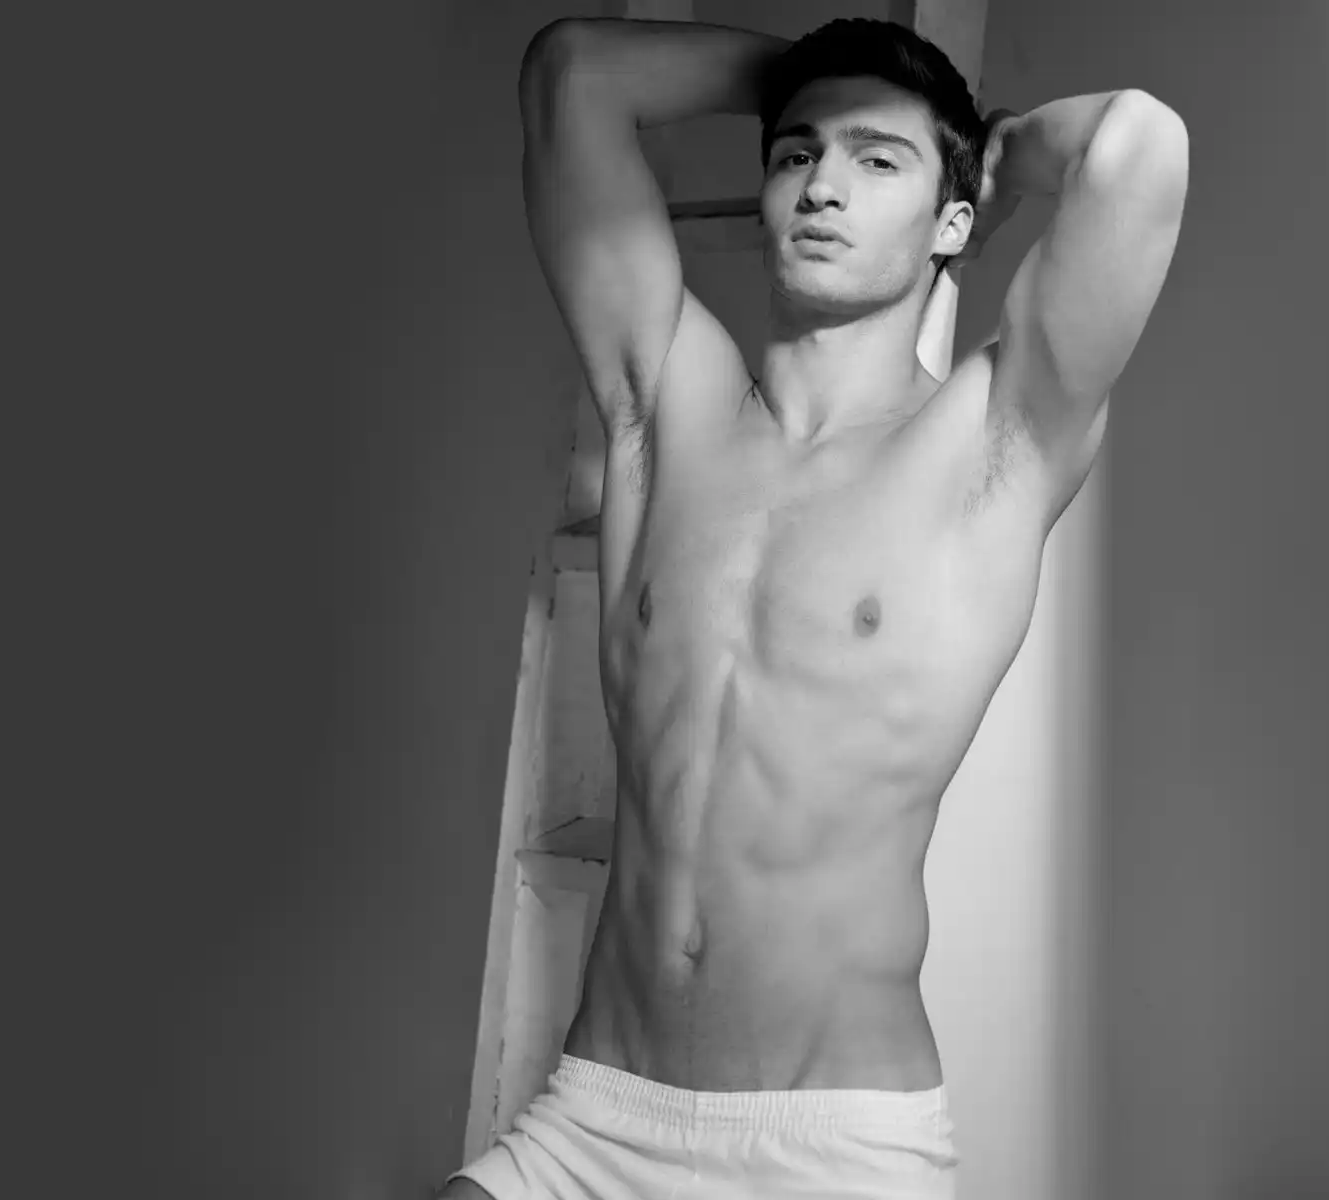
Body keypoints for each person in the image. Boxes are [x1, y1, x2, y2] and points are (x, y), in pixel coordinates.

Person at [438, 14, 1188, 1200]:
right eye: (796, 153)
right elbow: (572, 74)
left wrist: (994, 149)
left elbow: (1138, 146)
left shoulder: (988, 442)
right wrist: (809, 80)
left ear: (952, 221)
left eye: (877, 161)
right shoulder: (667, 402)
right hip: (594, 1120)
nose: (823, 185)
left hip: (832, 1149)